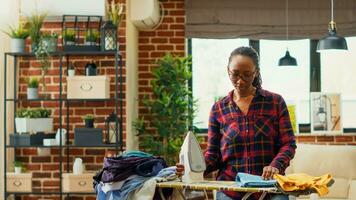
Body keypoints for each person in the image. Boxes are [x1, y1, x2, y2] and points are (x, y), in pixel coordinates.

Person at [176, 46, 296, 200]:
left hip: (270, 188)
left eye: (247, 75)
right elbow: (213, 155)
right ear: (228, 71)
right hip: (231, 188)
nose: (240, 81)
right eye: (235, 74)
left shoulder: (275, 102)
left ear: (256, 72)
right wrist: (191, 169)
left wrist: (275, 166)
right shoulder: (218, 109)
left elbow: (288, 144)